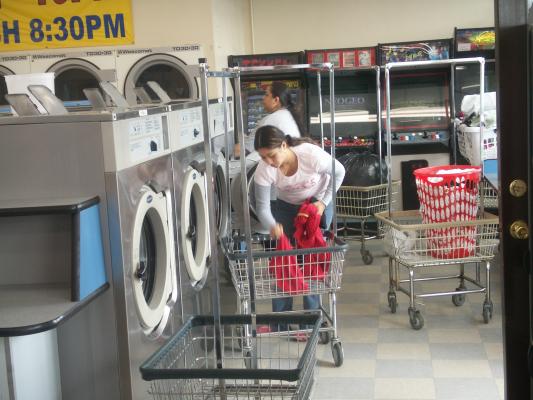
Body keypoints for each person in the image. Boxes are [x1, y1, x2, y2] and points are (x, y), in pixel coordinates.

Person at [253, 125, 345, 334]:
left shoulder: (311, 156)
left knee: (311, 261)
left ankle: (309, 324)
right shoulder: (265, 169)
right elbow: (263, 208)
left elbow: (339, 172)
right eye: (263, 157)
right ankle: (280, 322)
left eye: (271, 155)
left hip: (317, 204)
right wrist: (272, 226)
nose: (268, 161)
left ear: (284, 145)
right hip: (286, 208)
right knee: (285, 260)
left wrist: (322, 203)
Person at [235, 81, 306, 158]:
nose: (263, 98)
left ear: (276, 100)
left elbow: (242, 151)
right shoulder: (289, 115)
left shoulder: (269, 120)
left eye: (266, 95)